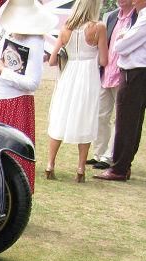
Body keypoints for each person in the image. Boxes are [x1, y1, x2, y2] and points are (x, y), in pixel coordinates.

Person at [0, 0, 57, 192]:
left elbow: (32, 82)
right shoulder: (8, 32)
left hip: (14, 103)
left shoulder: (35, 41)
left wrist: (3, 72)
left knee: (10, 155)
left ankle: (11, 198)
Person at [45, 0, 107, 182]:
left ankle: (50, 163)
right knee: (85, 116)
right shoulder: (99, 28)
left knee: (61, 114)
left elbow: (52, 60)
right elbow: (104, 60)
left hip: (68, 74)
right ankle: (80, 167)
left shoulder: (66, 28)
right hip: (88, 76)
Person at [95, 0, 146, 181]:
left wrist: (122, 38)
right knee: (131, 121)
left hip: (134, 73)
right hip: (135, 73)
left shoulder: (145, 17)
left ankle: (119, 167)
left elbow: (120, 47)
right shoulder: (141, 17)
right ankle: (124, 164)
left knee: (126, 122)